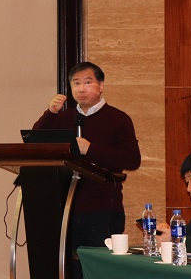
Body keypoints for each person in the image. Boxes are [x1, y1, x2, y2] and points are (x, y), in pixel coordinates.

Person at [32, 61, 141, 279]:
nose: (81, 88)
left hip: (102, 207)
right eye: (76, 83)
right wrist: (50, 113)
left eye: (88, 82)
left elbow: (132, 159)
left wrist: (90, 149)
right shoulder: (64, 117)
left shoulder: (118, 119)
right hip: (66, 207)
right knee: (69, 270)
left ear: (101, 86)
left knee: (100, 270)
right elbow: (34, 142)